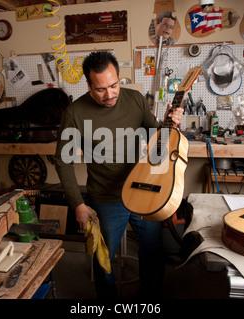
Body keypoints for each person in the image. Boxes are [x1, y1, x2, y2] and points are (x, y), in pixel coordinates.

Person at [53, 51, 184, 299]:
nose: (110, 94)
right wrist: (78, 205)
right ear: (89, 86)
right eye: (100, 89)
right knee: (102, 258)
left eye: (114, 85)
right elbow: (62, 160)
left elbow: (159, 140)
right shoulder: (75, 113)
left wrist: (171, 123)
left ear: (119, 78)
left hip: (143, 191)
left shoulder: (135, 99)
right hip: (105, 197)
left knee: (153, 253)